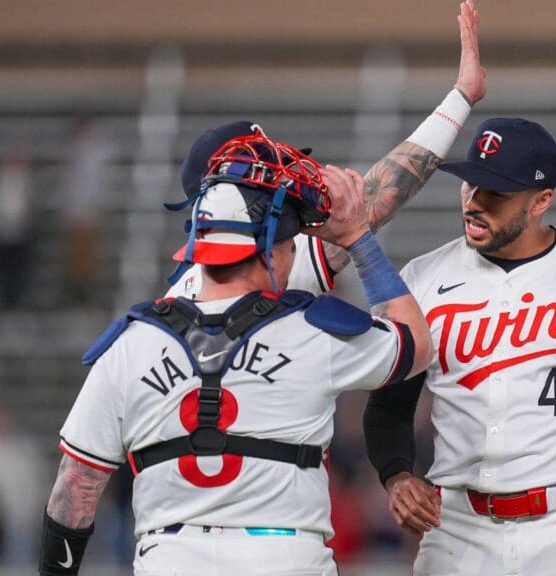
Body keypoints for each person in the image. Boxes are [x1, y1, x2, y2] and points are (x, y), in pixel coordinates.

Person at [37, 130, 432, 576]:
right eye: (289, 244)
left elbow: (76, 487)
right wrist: (358, 237)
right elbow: (415, 344)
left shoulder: (130, 343)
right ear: (270, 247)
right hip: (285, 558)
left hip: (170, 559)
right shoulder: (311, 329)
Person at [362, 115, 556, 575]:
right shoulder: (422, 278)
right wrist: (395, 474)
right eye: (470, 184)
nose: (474, 202)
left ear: (541, 201)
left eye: (496, 193)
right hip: (454, 527)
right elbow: (389, 406)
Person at [166, 0, 486, 300]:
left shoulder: (179, 299)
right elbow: (379, 198)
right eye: (263, 172)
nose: (283, 177)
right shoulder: (262, 256)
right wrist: (460, 98)